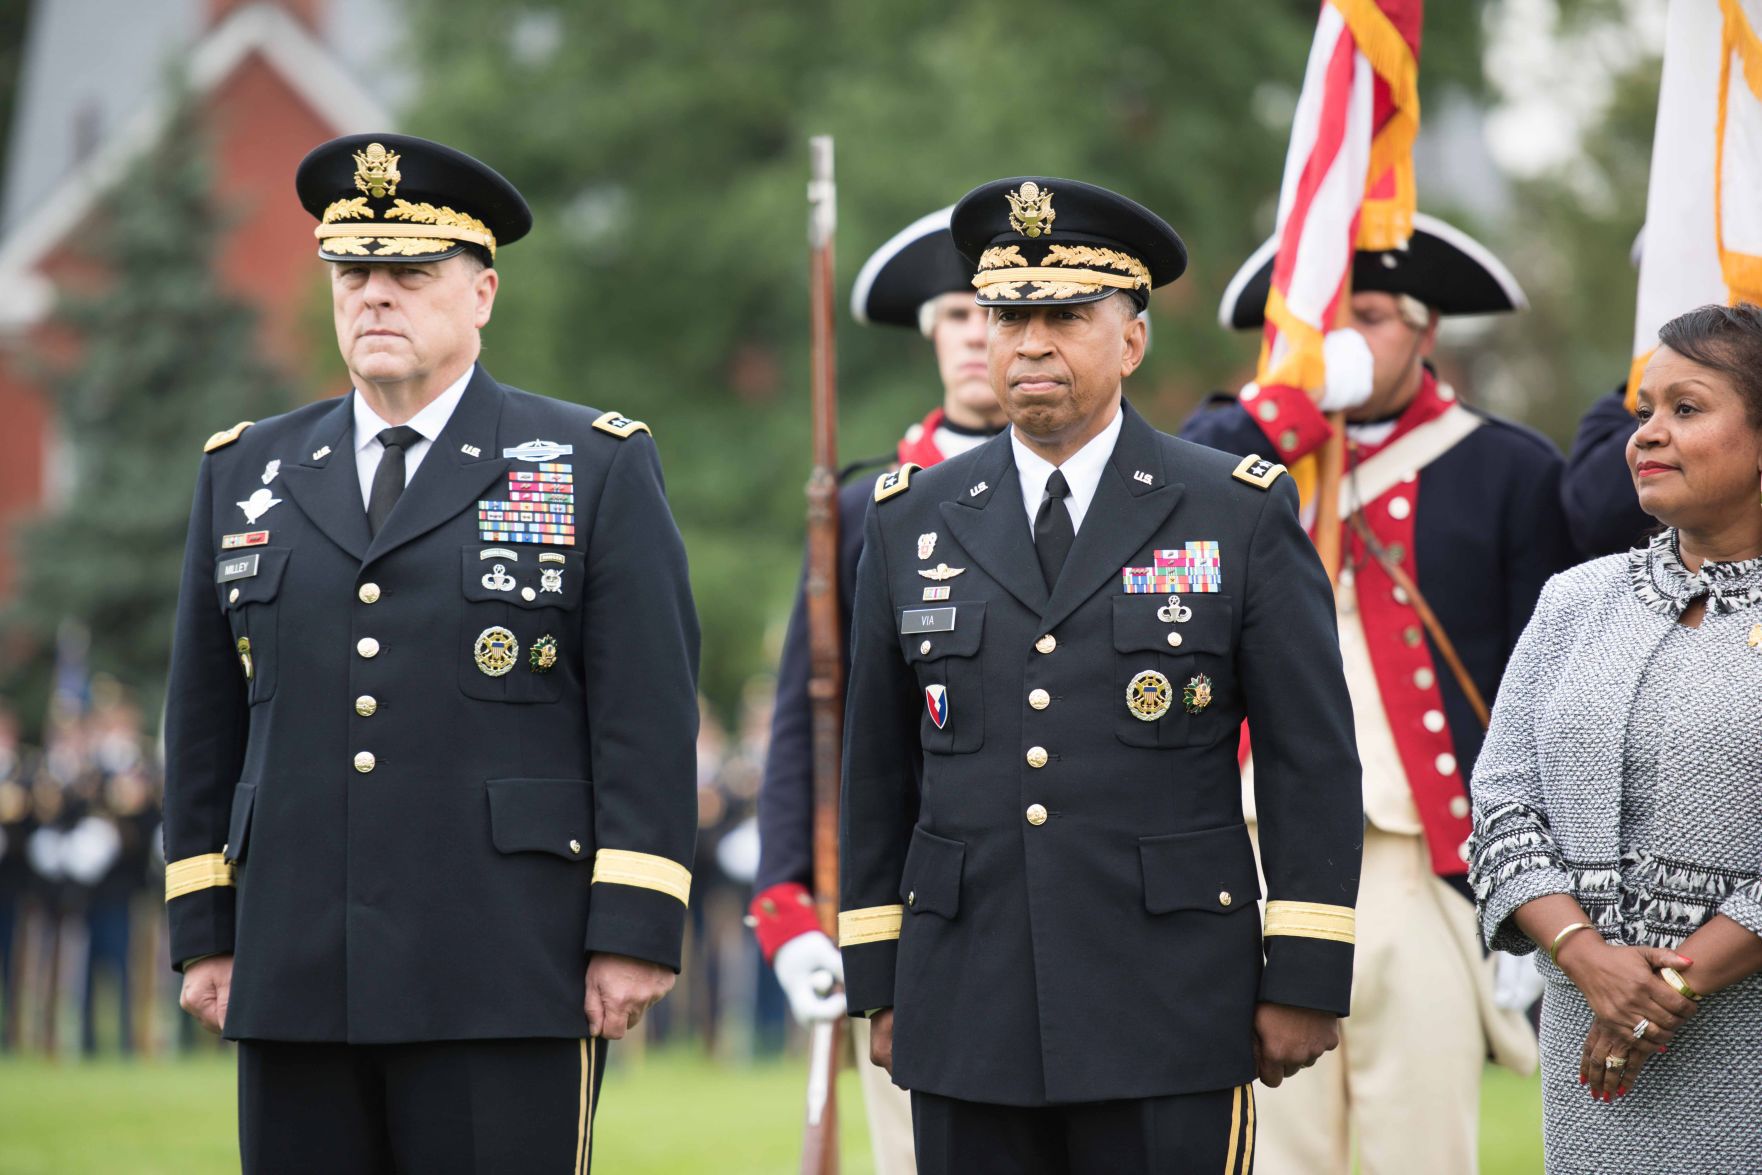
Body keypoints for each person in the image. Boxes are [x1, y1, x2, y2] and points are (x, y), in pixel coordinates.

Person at [161, 133, 699, 1174]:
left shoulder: (591, 464)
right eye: (353, 271)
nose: (374, 295)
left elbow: (645, 712)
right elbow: (204, 718)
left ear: (482, 291)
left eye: (409, 271)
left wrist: (633, 923)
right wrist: (204, 922)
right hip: (296, 960)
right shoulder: (247, 472)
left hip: (503, 959)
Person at [837, 176, 1363, 1174]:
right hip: (965, 998)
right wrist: (880, 974)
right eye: (1007, 315)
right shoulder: (909, 517)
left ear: (1130, 340)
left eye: (1065, 315)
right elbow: (875, 769)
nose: (1029, 342)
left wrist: (1303, 969)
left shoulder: (1235, 510)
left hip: (1166, 998)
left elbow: (1309, 759)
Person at [1183, 213, 1569, 1173]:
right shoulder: (1241, 461)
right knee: (1274, 1155)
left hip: (1428, 864)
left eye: (1374, 316)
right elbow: (1163, 483)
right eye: (1327, 321)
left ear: (1428, 329)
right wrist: (1294, 407)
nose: (1349, 341)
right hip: (1257, 853)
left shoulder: (1509, 467)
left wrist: (1537, 893)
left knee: (1424, 1152)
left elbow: (1553, 694)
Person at [1470, 302, 1762, 1173]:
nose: (1646, 436)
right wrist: (1588, 958)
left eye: (1686, 408)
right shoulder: (1577, 600)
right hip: (1590, 1043)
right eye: (1643, 411)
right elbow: (1502, 800)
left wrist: (1664, 986)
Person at [749, 206, 1002, 1175]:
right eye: (957, 314)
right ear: (930, 334)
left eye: (996, 310)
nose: (980, 333)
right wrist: (785, 898)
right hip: (905, 897)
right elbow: (805, 720)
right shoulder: (863, 513)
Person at [1563, 385, 1656, 558]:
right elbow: (1593, 520)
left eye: (1685, 410)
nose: (1642, 435)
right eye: (1644, 415)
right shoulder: (1614, 413)